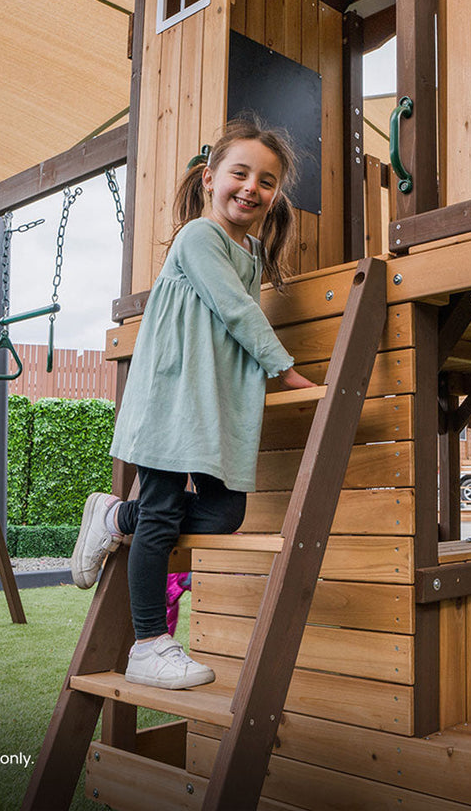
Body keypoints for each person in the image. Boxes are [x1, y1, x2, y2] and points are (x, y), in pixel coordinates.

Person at [71, 115, 313, 690]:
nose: (251, 188)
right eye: (240, 173)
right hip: (171, 397)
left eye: (267, 181)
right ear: (210, 178)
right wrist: (284, 370)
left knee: (225, 515)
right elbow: (235, 310)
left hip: (207, 406)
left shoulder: (250, 251)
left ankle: (114, 516)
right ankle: (148, 645)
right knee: (159, 517)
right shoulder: (199, 237)